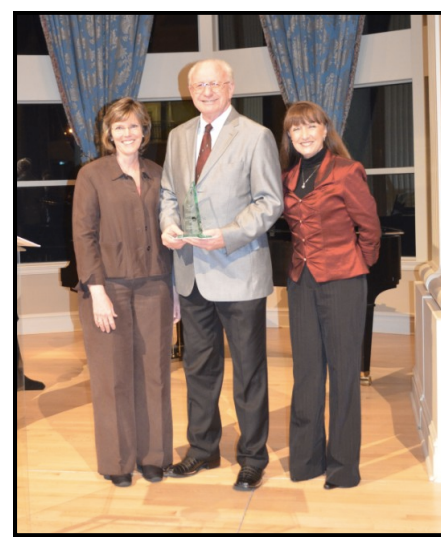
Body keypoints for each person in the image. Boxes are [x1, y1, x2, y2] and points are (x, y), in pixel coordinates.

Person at [160, 59, 283, 491]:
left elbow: (270, 202)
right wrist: (167, 226)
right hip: (191, 272)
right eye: (199, 85)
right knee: (198, 367)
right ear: (189, 91)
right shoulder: (177, 137)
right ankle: (202, 450)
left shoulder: (256, 135)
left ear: (230, 87)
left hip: (239, 270)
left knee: (249, 369)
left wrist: (227, 235)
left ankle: (252, 456)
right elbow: (169, 193)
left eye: (214, 83)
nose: (206, 90)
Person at [73, 98, 179, 488]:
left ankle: (154, 457)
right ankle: (118, 461)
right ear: (109, 134)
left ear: (144, 131)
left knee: (155, 374)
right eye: (120, 127)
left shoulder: (157, 173)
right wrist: (96, 291)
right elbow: (83, 237)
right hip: (109, 288)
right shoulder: (92, 175)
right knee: (113, 377)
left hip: (154, 284)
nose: (128, 133)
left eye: (134, 126)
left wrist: (175, 290)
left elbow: (170, 231)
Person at [280, 101, 381, 489]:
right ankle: (306, 461)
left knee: (342, 375)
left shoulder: (345, 171)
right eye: (296, 129)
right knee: (306, 373)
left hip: (342, 281)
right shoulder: (287, 177)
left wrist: (357, 265)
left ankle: (342, 467)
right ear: (289, 137)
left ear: (325, 130)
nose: (304, 135)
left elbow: (369, 228)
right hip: (301, 280)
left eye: (311, 127)